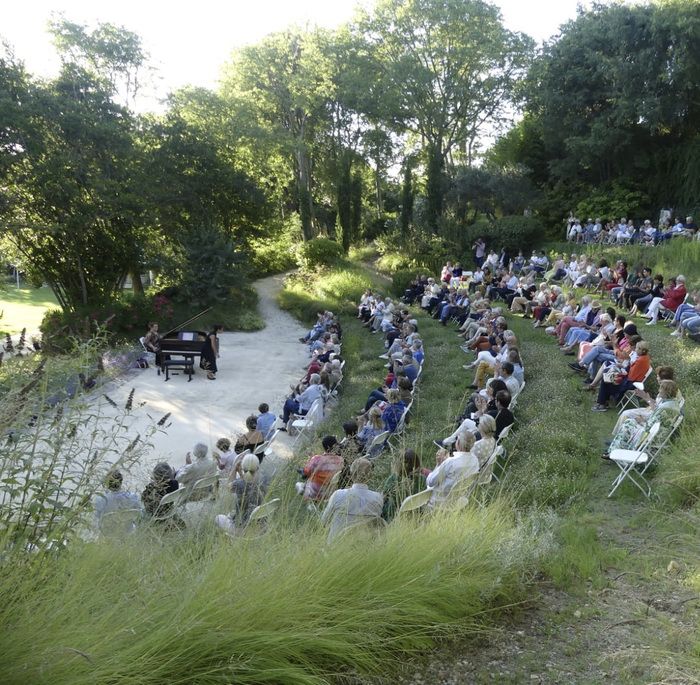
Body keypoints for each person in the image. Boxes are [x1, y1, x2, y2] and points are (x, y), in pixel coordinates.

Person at [321, 458, 384, 543]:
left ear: (351, 474)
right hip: (365, 548)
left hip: (336, 547)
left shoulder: (338, 495)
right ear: (370, 476)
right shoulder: (378, 498)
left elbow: (324, 522)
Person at [215, 453, 266, 532]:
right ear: (257, 468)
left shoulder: (239, 483)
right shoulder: (263, 480)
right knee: (232, 513)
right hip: (259, 527)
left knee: (218, 518)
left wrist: (235, 469)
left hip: (242, 530)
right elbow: (248, 483)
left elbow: (229, 487)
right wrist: (241, 474)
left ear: (243, 468)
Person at [426, 432, 479, 508]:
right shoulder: (475, 460)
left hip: (439, 502)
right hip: (458, 499)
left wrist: (439, 464)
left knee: (426, 477)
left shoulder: (451, 462)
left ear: (458, 443)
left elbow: (430, 482)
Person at [296, 436, 345, 501]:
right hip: (330, 494)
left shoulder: (317, 459)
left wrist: (302, 469)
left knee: (298, 484)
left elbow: (306, 473)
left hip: (315, 493)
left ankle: (307, 495)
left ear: (325, 447)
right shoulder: (341, 460)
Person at [381, 449, 424, 521]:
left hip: (394, 516)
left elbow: (384, 497)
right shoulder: (422, 479)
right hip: (416, 515)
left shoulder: (394, 478)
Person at [141, 462, 184, 528]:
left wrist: (152, 483)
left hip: (157, 514)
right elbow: (172, 480)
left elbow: (143, 498)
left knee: (141, 511)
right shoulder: (175, 483)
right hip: (169, 509)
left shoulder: (153, 488)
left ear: (155, 476)